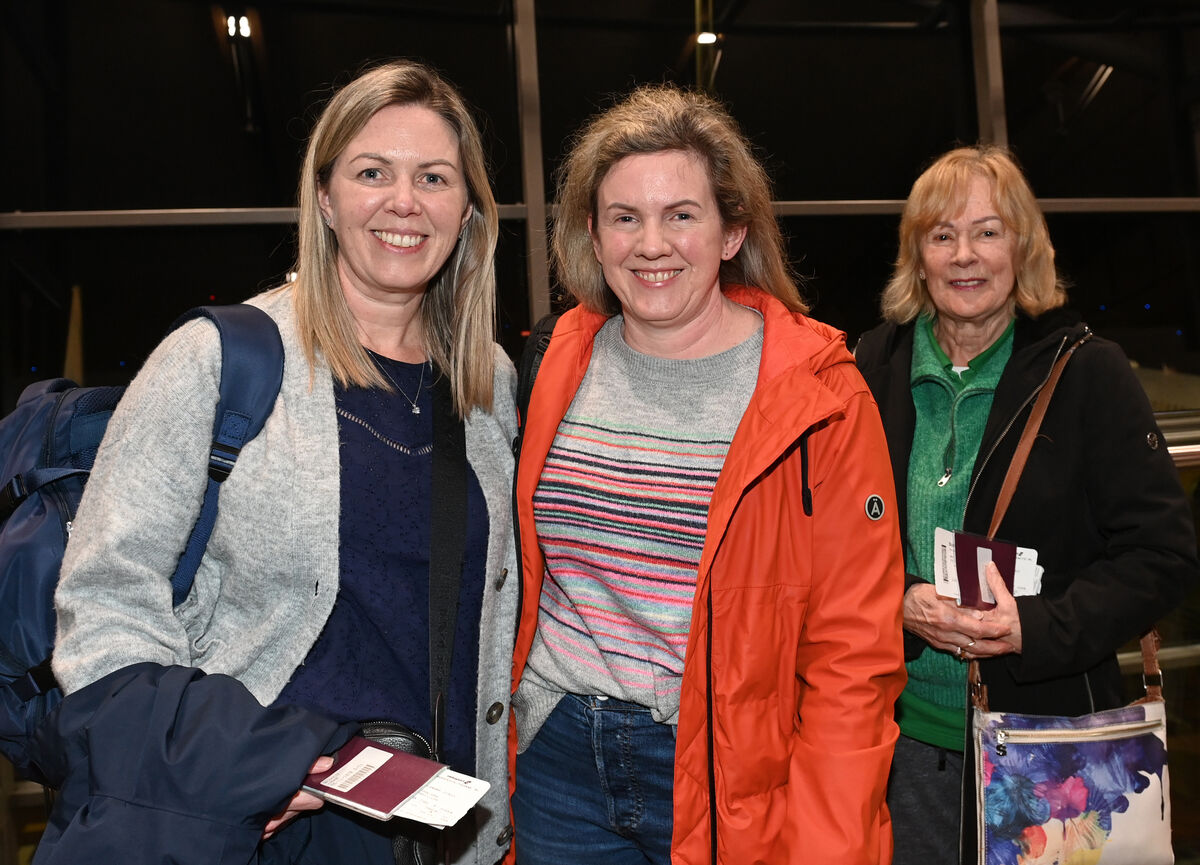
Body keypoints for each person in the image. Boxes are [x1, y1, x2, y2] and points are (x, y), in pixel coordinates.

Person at [43, 60, 518, 865]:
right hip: (267, 825)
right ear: (326, 197)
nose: (404, 202)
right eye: (373, 172)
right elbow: (102, 603)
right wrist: (248, 768)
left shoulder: (488, 383)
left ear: (467, 208)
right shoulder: (219, 360)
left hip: (436, 829)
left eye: (434, 177)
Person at [507, 84, 907, 865]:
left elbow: (852, 652)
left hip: (729, 769)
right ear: (594, 235)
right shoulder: (553, 362)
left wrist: (831, 842)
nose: (651, 243)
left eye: (681, 215)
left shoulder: (818, 393)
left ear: (732, 233)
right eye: (625, 217)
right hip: (557, 760)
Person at [853, 144, 1199, 865]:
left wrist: (1034, 625)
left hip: (1049, 751)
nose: (964, 255)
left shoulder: (1087, 372)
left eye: (987, 231)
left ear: (1023, 246)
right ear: (916, 255)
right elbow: (832, 537)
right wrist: (900, 597)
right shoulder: (872, 365)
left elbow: (1162, 556)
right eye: (941, 234)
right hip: (897, 744)